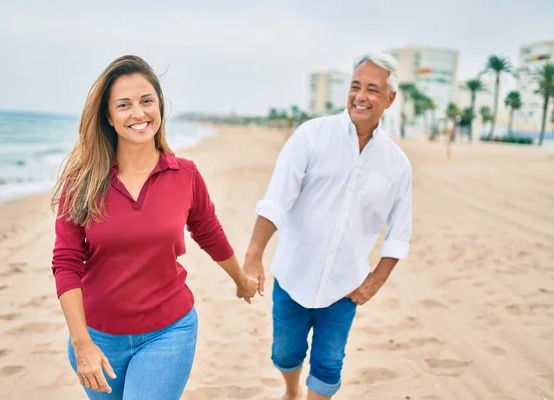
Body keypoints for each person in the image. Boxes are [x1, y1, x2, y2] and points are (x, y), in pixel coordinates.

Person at [51, 55, 259, 400]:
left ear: (160, 107)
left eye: (147, 101)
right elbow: (66, 263)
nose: (138, 113)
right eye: (124, 105)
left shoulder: (185, 175)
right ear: (109, 116)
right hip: (97, 337)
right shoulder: (82, 183)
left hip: (168, 332)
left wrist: (241, 281)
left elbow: (208, 232)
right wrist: (81, 342)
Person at [242, 52, 413, 399]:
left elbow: (399, 232)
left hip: (344, 287)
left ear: (390, 99)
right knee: (285, 353)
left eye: (372, 89)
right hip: (292, 276)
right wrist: (254, 255)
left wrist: (374, 282)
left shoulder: (397, 165)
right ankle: (291, 390)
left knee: (329, 364)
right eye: (355, 87)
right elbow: (277, 198)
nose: (360, 96)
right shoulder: (312, 135)